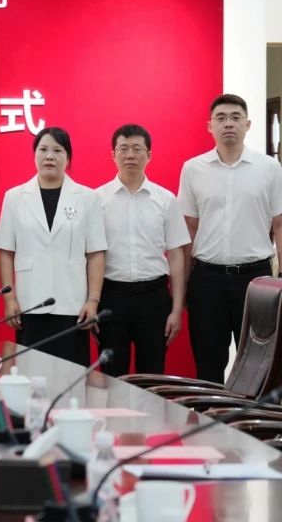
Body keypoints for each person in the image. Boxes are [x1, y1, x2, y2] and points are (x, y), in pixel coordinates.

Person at [179, 93, 282, 383]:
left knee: (257, 363)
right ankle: (210, 413)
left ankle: (249, 415)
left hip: (255, 278)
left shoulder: (268, 168)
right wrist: (187, 280)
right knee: (208, 362)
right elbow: (189, 228)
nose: (228, 123)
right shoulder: (193, 169)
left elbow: (281, 223)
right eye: (221, 118)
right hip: (207, 279)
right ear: (210, 126)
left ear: (248, 124)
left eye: (235, 117)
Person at [0, 127, 107, 367]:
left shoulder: (88, 198)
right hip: (30, 302)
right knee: (30, 374)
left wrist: (93, 300)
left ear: (68, 158)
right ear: (34, 155)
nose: (49, 156)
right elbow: (6, 253)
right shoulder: (14, 197)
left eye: (58, 150)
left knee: (71, 377)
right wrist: (9, 299)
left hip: (72, 304)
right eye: (43, 150)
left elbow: (96, 254)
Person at [94, 124, 189, 376]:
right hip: (111, 296)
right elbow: (90, 257)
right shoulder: (96, 200)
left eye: (137, 149)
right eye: (123, 149)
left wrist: (176, 309)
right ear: (113, 155)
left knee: (152, 374)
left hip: (154, 297)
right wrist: (91, 303)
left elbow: (176, 256)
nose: (130, 155)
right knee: (112, 376)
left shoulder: (166, 200)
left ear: (149, 155)